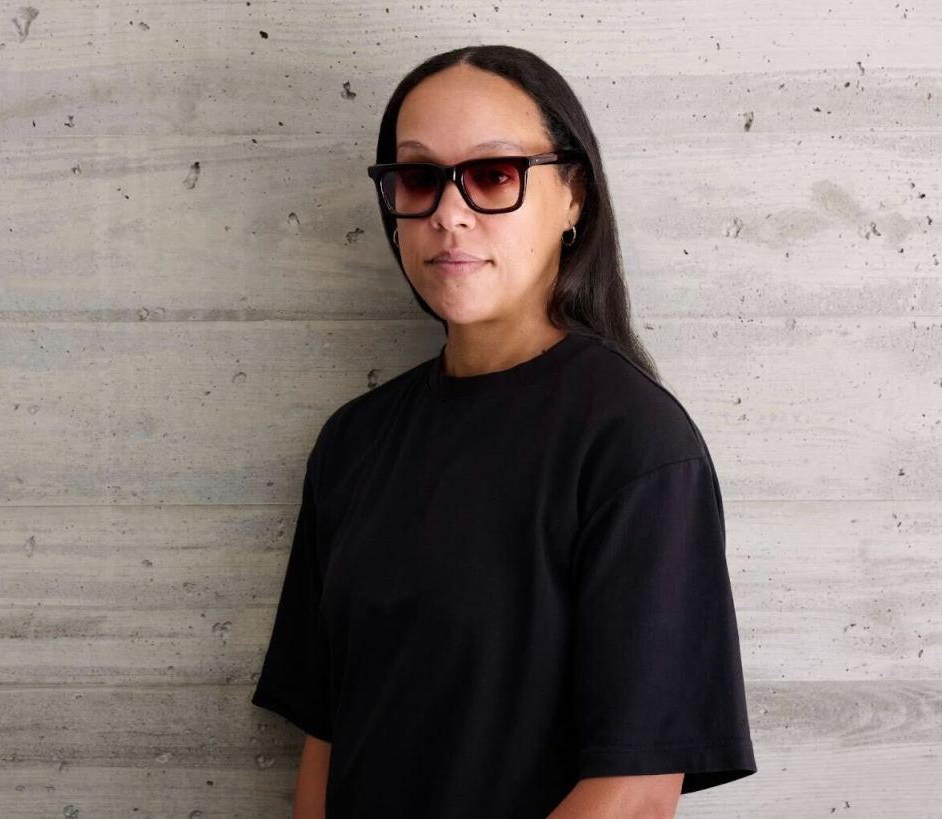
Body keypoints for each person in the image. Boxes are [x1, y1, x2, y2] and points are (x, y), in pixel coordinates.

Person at [252, 44, 757, 819]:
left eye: (492, 175)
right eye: (418, 178)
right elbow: (326, 736)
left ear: (573, 196)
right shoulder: (353, 443)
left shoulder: (636, 447)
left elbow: (634, 791)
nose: (448, 214)